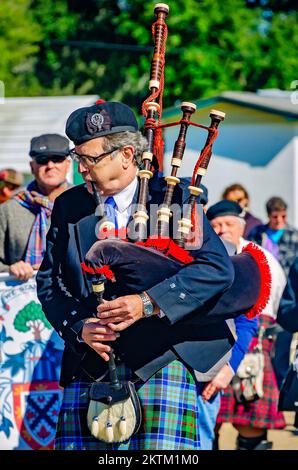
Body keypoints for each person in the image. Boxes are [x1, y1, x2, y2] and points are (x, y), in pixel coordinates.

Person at [35, 100, 248, 450]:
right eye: (77, 158)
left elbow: (215, 270)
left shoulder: (174, 198)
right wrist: (78, 327)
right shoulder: (69, 205)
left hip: (161, 360)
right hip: (91, 363)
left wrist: (148, 303)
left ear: (127, 154)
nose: (81, 168)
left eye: (89, 159)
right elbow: (50, 282)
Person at [206, 200, 286, 450]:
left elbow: (276, 297)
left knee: (251, 422)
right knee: (211, 419)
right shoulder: (205, 255)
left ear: (241, 226)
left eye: (228, 224)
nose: (222, 230)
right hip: (213, 343)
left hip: (254, 341)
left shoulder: (259, 257)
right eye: (216, 225)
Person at [0, 134, 71, 280]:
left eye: (57, 159)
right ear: (32, 167)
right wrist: (11, 268)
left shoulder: (85, 203)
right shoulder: (9, 210)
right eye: (42, 160)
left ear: (68, 165)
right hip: (23, 297)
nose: (50, 166)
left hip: (74, 297)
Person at [249, 196, 298, 386]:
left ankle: (282, 381)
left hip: (286, 295)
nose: (280, 221)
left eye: (283, 216)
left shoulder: (293, 235)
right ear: (269, 216)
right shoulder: (258, 233)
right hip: (264, 293)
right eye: (276, 217)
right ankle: (263, 379)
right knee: (263, 341)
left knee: (284, 341)